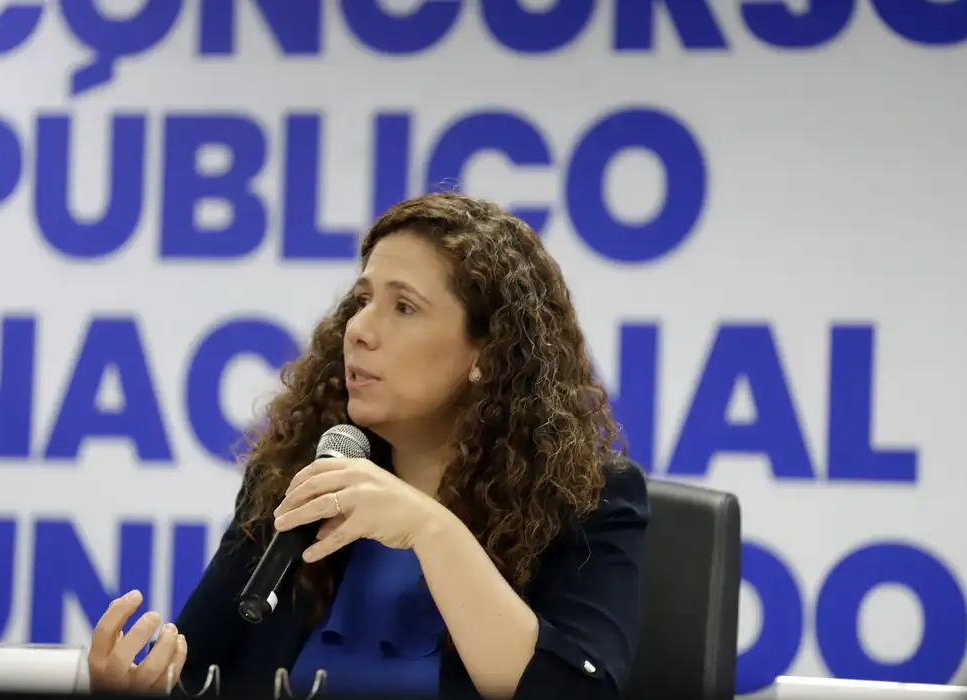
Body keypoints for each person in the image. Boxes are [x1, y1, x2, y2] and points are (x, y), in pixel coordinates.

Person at [85, 192, 651, 700]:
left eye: (403, 307)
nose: (359, 329)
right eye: (362, 300)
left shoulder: (585, 500)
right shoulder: (293, 478)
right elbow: (196, 675)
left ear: (488, 352)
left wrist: (429, 530)